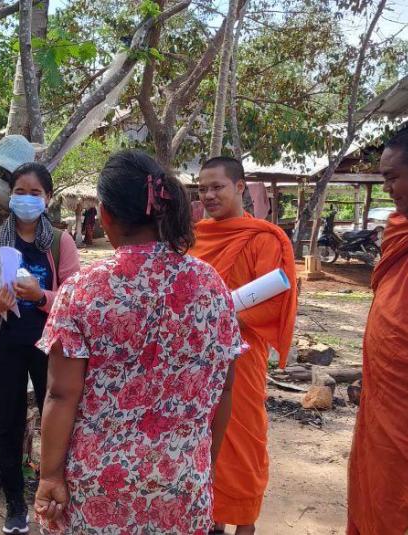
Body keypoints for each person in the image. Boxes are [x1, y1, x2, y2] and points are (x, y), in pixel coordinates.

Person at [33, 150, 242, 534]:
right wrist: (200, 463)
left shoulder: (82, 291)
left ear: (106, 216)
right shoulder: (212, 286)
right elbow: (225, 389)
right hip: (182, 486)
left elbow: (61, 395)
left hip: (97, 489)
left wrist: (49, 475)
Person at [0, 162, 80, 534]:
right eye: (20, 191)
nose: (27, 199)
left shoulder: (60, 242)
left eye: (35, 193)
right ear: (9, 197)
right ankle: (15, 505)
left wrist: (42, 296)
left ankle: (51, 495)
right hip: (5, 343)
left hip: (50, 346)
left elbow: (74, 295)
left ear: (48, 198)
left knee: (57, 420)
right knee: (8, 424)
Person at [190, 156, 298, 535]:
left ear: (239, 187)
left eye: (217, 187)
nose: (208, 195)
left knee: (244, 439)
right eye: (202, 188)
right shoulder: (195, 237)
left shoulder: (263, 238)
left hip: (243, 359)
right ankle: (211, 520)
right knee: (202, 438)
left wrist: (221, 314)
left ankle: (245, 523)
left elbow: (273, 300)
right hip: (198, 361)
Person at [347, 130, 408, 535]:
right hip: (387, 391)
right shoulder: (398, 229)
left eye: (392, 178)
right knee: (382, 487)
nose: (386, 189)